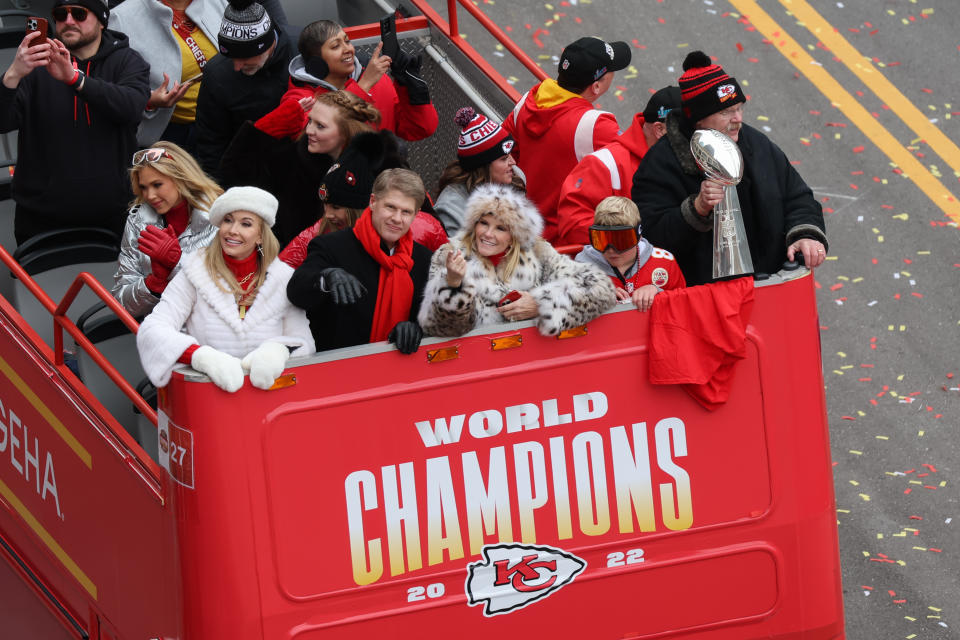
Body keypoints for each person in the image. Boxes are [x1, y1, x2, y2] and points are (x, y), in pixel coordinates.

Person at [631, 51, 828, 286]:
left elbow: (796, 196)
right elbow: (652, 238)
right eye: (726, 112)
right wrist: (697, 208)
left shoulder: (757, 144)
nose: (738, 119)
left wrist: (805, 234)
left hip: (769, 287)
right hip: (703, 301)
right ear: (698, 119)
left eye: (739, 108)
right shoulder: (660, 164)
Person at [0, 0, 150, 244]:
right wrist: (13, 74)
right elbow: (3, 122)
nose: (68, 21)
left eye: (79, 14)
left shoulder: (127, 61)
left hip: (112, 214)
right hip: (40, 216)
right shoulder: (36, 67)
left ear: (101, 21)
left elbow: (131, 108)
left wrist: (75, 79)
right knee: (37, 284)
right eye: (61, 14)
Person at [137, 186, 314, 392]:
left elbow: (304, 343)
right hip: (209, 398)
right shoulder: (195, 272)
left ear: (260, 236)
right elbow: (152, 329)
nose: (232, 230)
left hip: (270, 400)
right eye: (228, 220)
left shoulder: (283, 278)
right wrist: (201, 357)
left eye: (246, 224)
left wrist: (278, 351)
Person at [419, 183, 617, 338]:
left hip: (533, 365)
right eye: (484, 223)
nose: (488, 234)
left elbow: (601, 290)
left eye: (500, 228)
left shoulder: (538, 253)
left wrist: (540, 304)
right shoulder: (450, 255)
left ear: (514, 235)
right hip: (477, 369)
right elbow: (443, 328)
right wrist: (453, 285)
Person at [286, 168, 432, 354]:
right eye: (390, 207)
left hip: (400, 372)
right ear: (373, 202)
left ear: (416, 214)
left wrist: (416, 330)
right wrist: (326, 277)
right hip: (337, 371)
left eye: (406, 212)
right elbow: (296, 292)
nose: (396, 218)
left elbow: (436, 321)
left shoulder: (425, 260)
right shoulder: (331, 246)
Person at [502, 36, 630, 243]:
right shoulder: (597, 126)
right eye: (611, 71)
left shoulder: (530, 99)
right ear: (596, 87)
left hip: (517, 224)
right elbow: (634, 166)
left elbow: (503, 151)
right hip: (560, 245)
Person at [108, 0, 286, 149]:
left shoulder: (216, 2)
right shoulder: (121, 19)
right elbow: (111, 92)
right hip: (173, 133)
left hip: (227, 122)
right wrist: (148, 100)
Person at [219, 89, 380, 246]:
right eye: (310, 121)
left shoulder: (376, 171)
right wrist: (265, 128)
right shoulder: (290, 160)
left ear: (346, 132)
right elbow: (234, 179)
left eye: (320, 126)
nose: (309, 130)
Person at [278, 130, 448, 267]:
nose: (327, 214)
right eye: (325, 206)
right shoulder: (319, 233)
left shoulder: (426, 229)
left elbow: (451, 278)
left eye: (336, 207)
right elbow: (278, 277)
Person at [253, 19, 438, 143]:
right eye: (335, 46)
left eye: (347, 42)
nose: (348, 49)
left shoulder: (377, 80)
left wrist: (414, 92)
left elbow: (419, 130)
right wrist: (362, 87)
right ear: (316, 63)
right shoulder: (299, 100)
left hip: (385, 186)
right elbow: (318, 143)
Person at [556, 86, 681, 246]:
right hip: (616, 267)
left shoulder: (685, 158)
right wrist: (627, 242)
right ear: (660, 130)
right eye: (685, 129)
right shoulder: (604, 164)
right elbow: (572, 224)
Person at [113, 142, 222, 317]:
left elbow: (230, 293)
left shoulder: (222, 217)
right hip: (158, 325)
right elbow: (121, 302)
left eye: (157, 185)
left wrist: (177, 264)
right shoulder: (137, 220)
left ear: (181, 178)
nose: (149, 195)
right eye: (143, 187)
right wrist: (155, 282)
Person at [194, 0, 293, 179]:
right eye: (231, 57)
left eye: (244, 58)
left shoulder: (305, 50)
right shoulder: (218, 75)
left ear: (268, 44)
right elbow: (211, 146)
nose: (237, 67)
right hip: (251, 180)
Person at [574, 196, 685, 312]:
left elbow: (683, 306)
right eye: (602, 240)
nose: (611, 250)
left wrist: (658, 292)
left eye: (621, 241)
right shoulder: (582, 266)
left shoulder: (664, 262)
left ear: (638, 235)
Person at [433, 106, 524, 237]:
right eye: (504, 159)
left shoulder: (517, 179)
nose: (513, 162)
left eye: (510, 155)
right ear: (482, 166)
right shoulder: (451, 208)